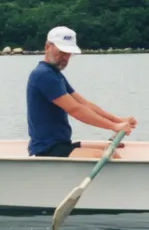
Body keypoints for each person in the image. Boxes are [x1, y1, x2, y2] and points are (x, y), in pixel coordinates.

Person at [26, 26, 137, 158]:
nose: (65, 58)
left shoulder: (55, 74)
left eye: (68, 53)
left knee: (112, 149)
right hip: (47, 149)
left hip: (61, 144)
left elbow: (83, 103)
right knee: (106, 155)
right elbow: (75, 110)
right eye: (61, 52)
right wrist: (114, 126)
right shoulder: (43, 75)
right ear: (47, 47)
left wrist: (117, 120)